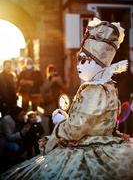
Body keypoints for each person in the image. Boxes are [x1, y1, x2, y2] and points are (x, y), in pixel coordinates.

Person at [1, 18, 133, 180]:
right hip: (107, 146)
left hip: (89, 151)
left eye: (84, 60)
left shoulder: (94, 89)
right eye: (79, 60)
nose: (78, 65)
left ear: (98, 63)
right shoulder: (109, 86)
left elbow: (78, 126)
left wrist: (60, 122)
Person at [0, 106, 30, 172]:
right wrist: (22, 133)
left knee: (26, 142)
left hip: (15, 139)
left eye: (23, 115)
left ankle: (16, 159)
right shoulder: (6, 120)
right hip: (4, 141)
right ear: (16, 114)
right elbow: (9, 137)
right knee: (15, 147)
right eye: (21, 115)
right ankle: (7, 163)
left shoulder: (18, 119)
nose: (23, 116)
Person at [40, 64, 65, 134]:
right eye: (50, 71)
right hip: (51, 101)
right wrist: (52, 82)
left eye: (53, 71)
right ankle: (51, 133)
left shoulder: (58, 78)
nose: (52, 73)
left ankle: (59, 133)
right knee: (51, 118)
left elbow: (64, 87)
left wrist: (58, 81)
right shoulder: (48, 79)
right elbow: (44, 90)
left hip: (59, 100)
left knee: (60, 117)